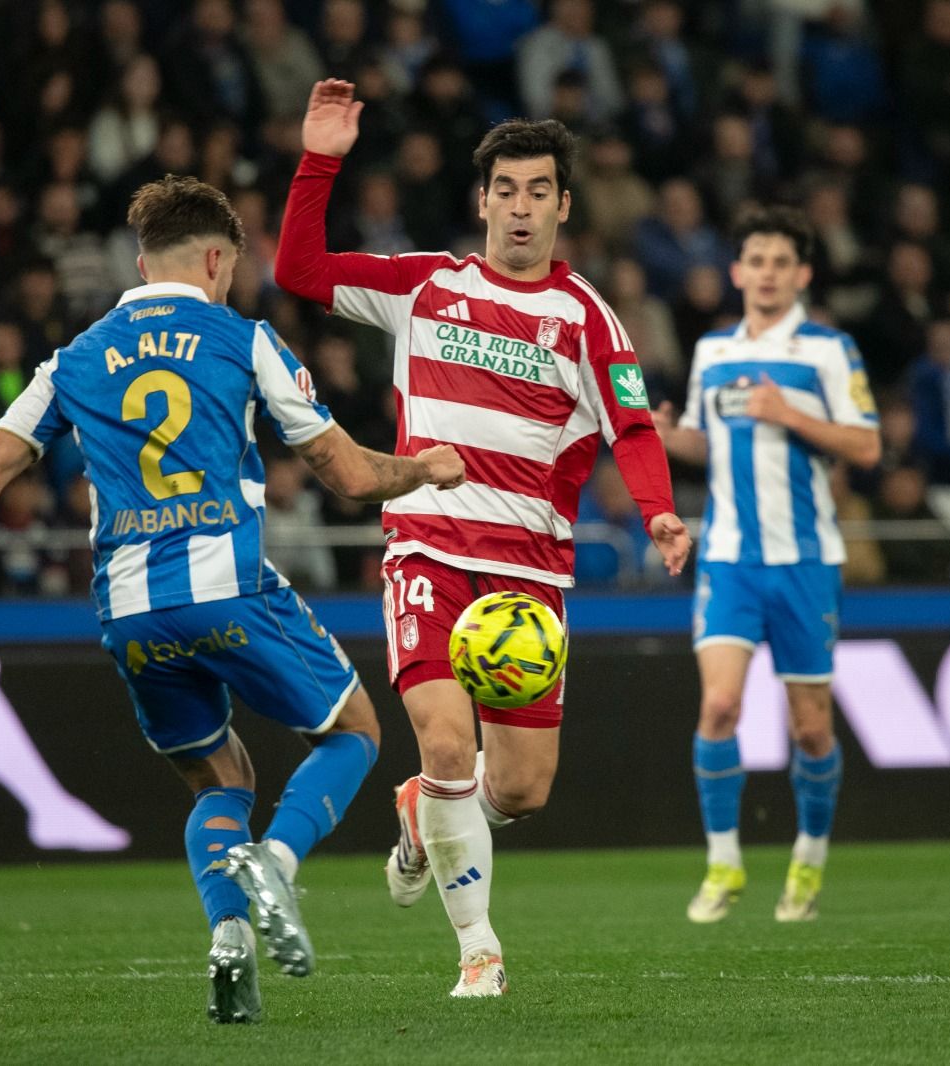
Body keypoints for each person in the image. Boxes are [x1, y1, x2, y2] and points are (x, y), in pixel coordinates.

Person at [0, 176, 464, 1024]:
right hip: (226, 586)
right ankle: (276, 861)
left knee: (219, 779)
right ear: (216, 259)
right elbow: (346, 474)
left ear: (139, 264)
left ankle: (229, 939)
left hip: (128, 611)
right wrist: (424, 468)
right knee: (354, 733)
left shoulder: (74, 358)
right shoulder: (243, 338)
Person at [274, 79, 691, 997]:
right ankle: (479, 952)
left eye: (538, 191)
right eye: (506, 190)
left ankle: (421, 815)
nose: (521, 207)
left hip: (527, 578)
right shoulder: (426, 286)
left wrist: (657, 509)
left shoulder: (587, 318)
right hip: (427, 552)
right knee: (446, 745)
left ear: (564, 206)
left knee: (522, 790)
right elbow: (300, 271)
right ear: (483, 201)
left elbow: (631, 425)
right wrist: (319, 163)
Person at [654, 206, 881, 924]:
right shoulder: (714, 349)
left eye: (782, 262)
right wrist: (667, 438)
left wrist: (792, 416)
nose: (768, 273)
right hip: (729, 559)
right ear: (736, 271)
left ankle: (808, 861)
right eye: (756, 260)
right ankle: (723, 863)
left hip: (806, 562)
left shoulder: (830, 350)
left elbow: (867, 445)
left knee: (810, 729)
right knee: (719, 707)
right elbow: (705, 440)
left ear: (803, 274)